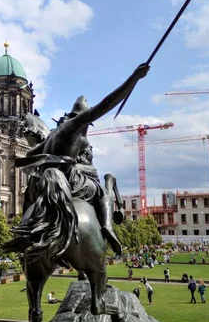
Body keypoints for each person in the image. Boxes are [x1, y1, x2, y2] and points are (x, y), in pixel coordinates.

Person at [19, 63, 150, 255]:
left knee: (28, 200)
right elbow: (106, 104)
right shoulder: (75, 125)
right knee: (103, 192)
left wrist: (50, 161)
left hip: (47, 181)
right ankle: (107, 227)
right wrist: (134, 78)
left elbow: (27, 159)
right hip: (69, 182)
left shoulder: (52, 134)